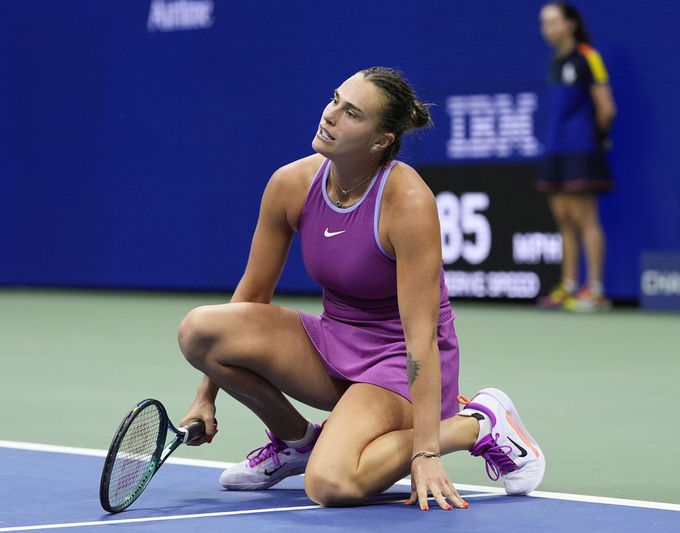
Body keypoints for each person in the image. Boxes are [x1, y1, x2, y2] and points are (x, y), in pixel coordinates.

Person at [177, 67, 545, 511]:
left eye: (351, 113)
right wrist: (205, 397)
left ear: (380, 141)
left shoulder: (407, 202)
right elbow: (251, 295)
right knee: (200, 330)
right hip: (335, 343)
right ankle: (298, 442)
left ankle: (476, 425)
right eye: (334, 99)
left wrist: (425, 451)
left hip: (399, 362)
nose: (330, 115)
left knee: (331, 485)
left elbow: (421, 339)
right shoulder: (291, 183)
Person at [537, 2, 616, 312]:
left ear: (571, 24)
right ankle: (569, 286)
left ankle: (595, 290)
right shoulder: (555, 61)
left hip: (581, 150)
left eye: (554, 21)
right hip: (555, 150)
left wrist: (592, 140)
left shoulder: (588, 57)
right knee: (565, 221)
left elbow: (606, 108)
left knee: (586, 220)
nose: (548, 29)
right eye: (544, 23)